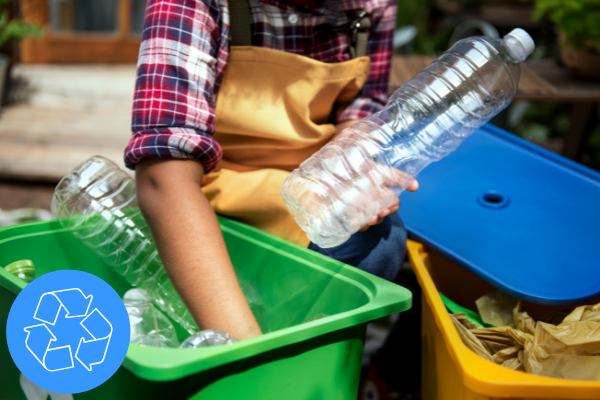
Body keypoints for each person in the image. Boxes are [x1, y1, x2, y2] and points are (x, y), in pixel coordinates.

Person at [126, 0, 419, 385]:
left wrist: (354, 162)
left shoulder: (370, 5)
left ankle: (311, 367)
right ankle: (267, 357)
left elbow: (360, 105)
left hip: (305, 184)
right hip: (213, 191)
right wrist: (252, 362)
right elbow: (163, 178)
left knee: (382, 241)